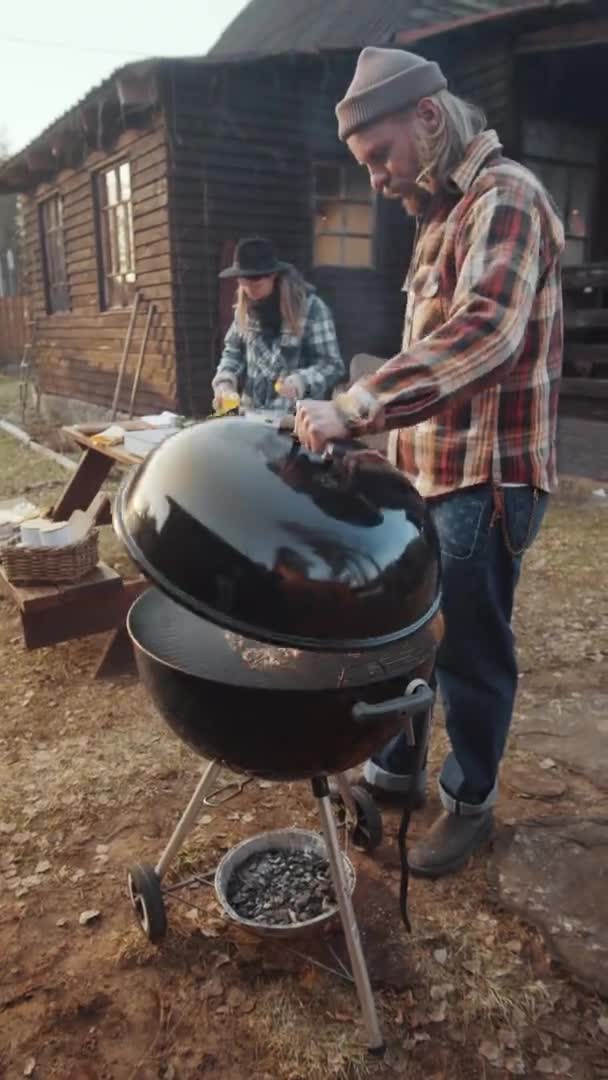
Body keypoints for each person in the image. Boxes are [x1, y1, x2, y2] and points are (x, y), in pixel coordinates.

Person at [294, 47, 564, 878]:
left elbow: (484, 333)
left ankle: (470, 800)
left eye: (379, 156)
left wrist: (358, 407)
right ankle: (399, 766)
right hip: (431, 476)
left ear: (429, 118)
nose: (375, 178)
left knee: (469, 648)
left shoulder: (507, 196)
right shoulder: (440, 215)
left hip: (487, 480)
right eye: (363, 163)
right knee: (410, 631)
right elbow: (429, 349)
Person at [212, 236, 344, 415]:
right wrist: (225, 382)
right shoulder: (243, 309)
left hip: (296, 420)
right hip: (250, 416)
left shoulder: (312, 308)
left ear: (273, 275)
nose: (249, 290)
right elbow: (233, 353)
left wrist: (301, 381)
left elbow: (332, 365)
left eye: (256, 283)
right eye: (243, 283)